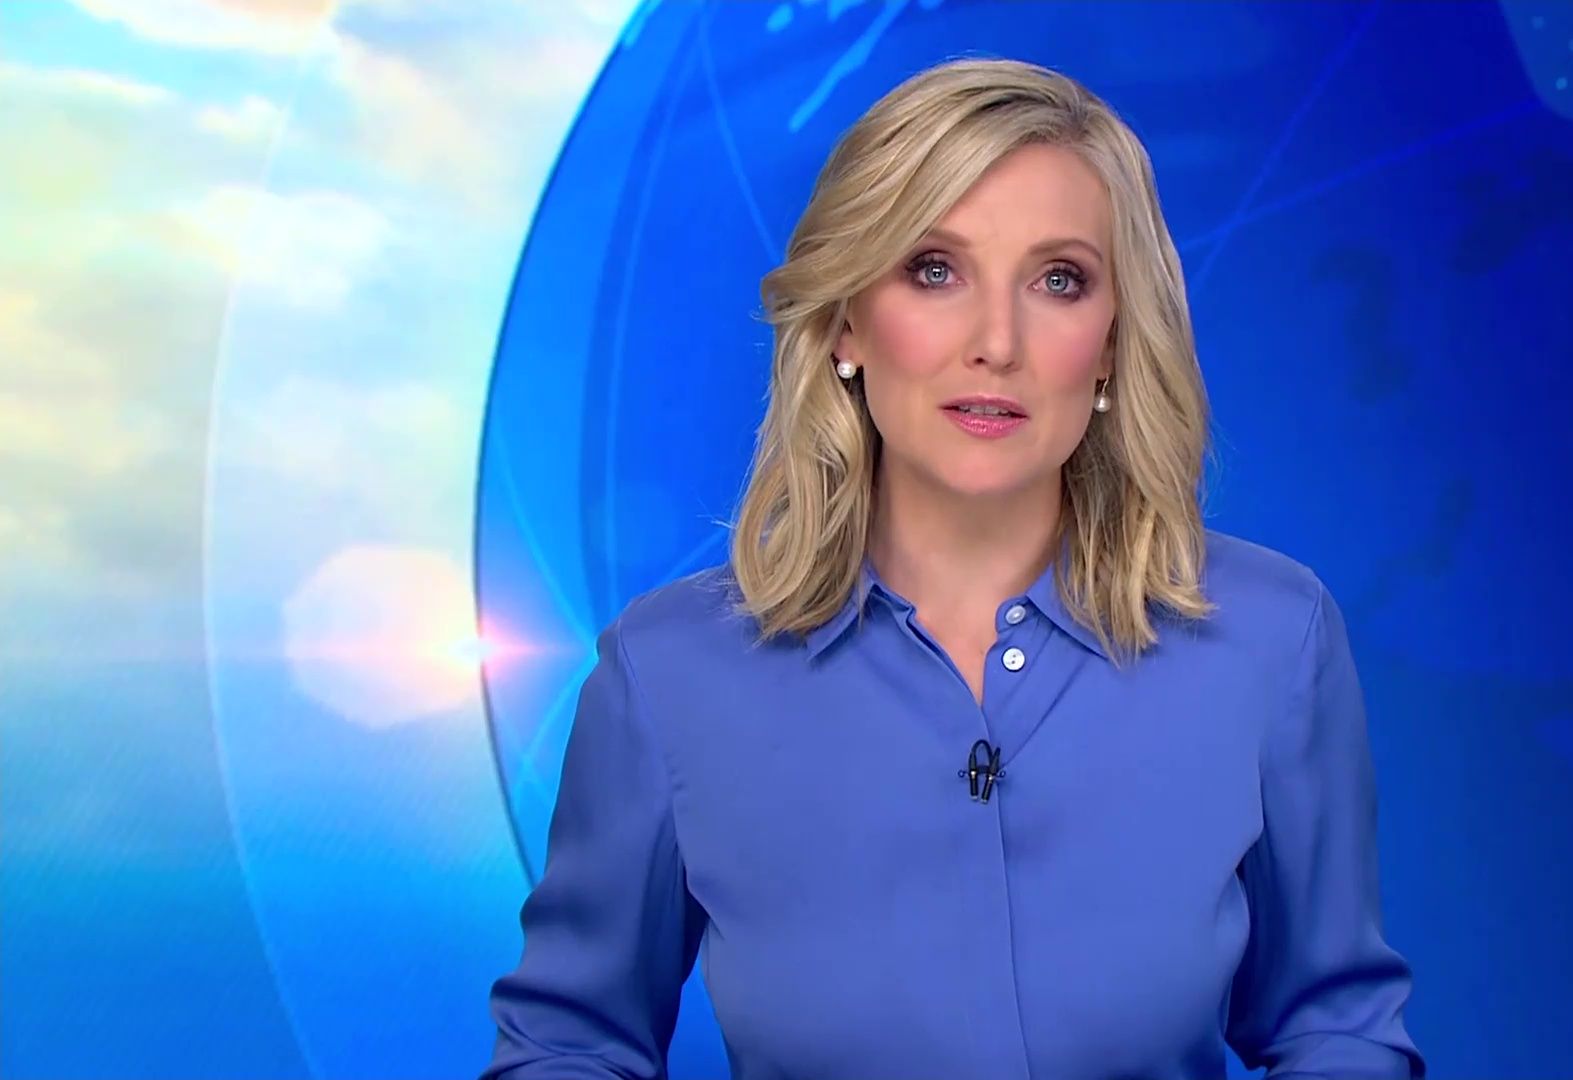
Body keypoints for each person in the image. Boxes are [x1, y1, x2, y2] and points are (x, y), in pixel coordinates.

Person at [480, 56, 1424, 1080]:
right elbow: (568, 1046)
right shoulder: (669, 673)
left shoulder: (1269, 639)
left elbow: (1335, 1027)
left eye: (1059, 281)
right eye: (934, 269)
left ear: (1113, 341)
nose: (996, 343)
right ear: (846, 321)